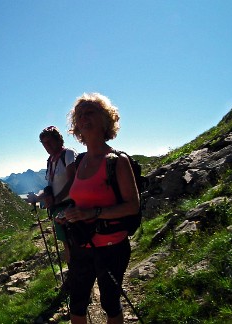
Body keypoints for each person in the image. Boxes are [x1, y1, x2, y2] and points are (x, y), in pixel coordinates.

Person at [54, 93, 138, 324]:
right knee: (77, 302)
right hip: (81, 243)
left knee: (110, 303)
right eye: (79, 115)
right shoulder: (79, 162)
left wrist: (93, 214)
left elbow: (132, 206)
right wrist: (67, 215)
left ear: (106, 119)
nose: (83, 118)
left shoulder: (116, 161)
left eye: (90, 112)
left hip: (112, 246)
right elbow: (76, 199)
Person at [39, 126, 77, 263]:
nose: (46, 146)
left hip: (70, 205)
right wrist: (38, 198)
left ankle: (80, 274)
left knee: (75, 241)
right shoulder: (50, 161)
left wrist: (56, 199)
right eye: (43, 143)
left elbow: (73, 180)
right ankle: (73, 275)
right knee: (66, 243)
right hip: (58, 208)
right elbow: (50, 185)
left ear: (58, 139)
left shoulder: (68, 154)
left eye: (49, 142)